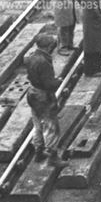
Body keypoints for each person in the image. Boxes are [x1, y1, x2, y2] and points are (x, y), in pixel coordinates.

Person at [24, 34, 68, 167]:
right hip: (43, 97)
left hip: (32, 94)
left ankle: (38, 152)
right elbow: (49, 84)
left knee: (37, 125)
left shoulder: (31, 57)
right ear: (48, 47)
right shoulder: (43, 62)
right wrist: (58, 82)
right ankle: (53, 157)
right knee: (51, 127)